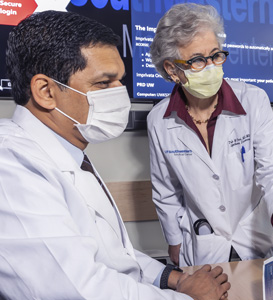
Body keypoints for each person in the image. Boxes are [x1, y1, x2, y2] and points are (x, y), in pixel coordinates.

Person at [0, 10, 230, 300]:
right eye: (104, 83)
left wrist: (171, 278)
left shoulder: (66, 151)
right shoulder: (11, 166)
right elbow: (77, 290)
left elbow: (113, 254)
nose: (120, 93)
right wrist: (190, 297)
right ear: (46, 91)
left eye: (120, 81)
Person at [148, 3, 273, 267]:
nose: (211, 67)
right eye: (198, 60)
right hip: (202, 248)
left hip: (257, 240)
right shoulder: (158, 121)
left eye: (216, 55)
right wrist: (175, 241)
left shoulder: (253, 100)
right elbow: (166, 191)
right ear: (173, 70)